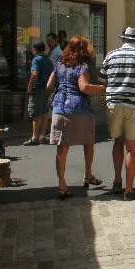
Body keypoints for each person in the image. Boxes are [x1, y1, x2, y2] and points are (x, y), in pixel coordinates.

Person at [99, 27, 135, 201]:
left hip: (114, 105)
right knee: (132, 149)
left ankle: (117, 181)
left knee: (118, 142)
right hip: (134, 106)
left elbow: (102, 81)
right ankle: (129, 189)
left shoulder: (111, 55)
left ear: (124, 39)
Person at [47, 35, 106, 200]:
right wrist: (103, 88)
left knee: (62, 148)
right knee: (89, 142)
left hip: (59, 109)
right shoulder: (82, 66)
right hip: (79, 109)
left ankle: (62, 185)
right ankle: (87, 174)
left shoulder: (59, 64)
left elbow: (49, 86)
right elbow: (84, 87)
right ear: (83, 49)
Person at [23, 42, 53, 145]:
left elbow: (35, 73)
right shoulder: (49, 61)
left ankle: (34, 138)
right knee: (44, 113)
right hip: (47, 89)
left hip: (38, 89)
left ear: (35, 49)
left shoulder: (36, 60)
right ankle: (42, 136)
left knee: (36, 114)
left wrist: (29, 86)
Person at [44, 33, 63, 140]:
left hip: (55, 82)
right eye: (47, 41)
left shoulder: (59, 53)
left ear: (56, 40)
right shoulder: (51, 51)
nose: (48, 43)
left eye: (50, 41)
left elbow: (59, 69)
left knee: (52, 106)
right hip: (50, 81)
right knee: (49, 106)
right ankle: (50, 130)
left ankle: (53, 130)